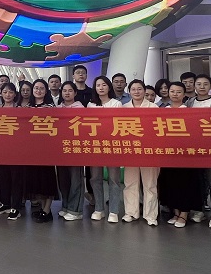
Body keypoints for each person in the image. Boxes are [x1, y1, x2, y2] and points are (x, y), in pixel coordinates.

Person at [158, 82, 202, 228]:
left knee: (185, 183)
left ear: (184, 94)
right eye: (172, 91)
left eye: (178, 92)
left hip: (185, 155)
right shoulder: (162, 111)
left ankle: (184, 213)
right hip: (168, 154)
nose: (175, 94)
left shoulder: (189, 111)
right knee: (170, 183)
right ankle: (176, 212)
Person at [185, 74, 211, 227]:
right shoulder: (189, 103)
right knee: (198, 180)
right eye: (199, 84)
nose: (202, 87)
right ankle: (199, 209)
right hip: (194, 148)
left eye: (205, 84)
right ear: (195, 86)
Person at [122, 79, 160, 226]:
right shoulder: (123, 108)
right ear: (129, 91)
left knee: (150, 184)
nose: (136, 92)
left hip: (149, 151)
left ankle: (150, 215)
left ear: (144, 91)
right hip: (130, 151)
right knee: (130, 183)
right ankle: (131, 212)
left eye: (139, 89)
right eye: (133, 89)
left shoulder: (153, 107)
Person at [88, 76, 124, 223]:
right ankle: (99, 209)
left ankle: (114, 211)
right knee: (95, 178)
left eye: (104, 85)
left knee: (114, 179)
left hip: (112, 145)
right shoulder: (90, 105)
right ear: (95, 88)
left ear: (109, 87)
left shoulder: (116, 103)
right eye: (98, 85)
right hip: (95, 145)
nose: (101, 88)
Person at [26, 79, 58, 223]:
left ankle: (47, 210)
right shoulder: (28, 107)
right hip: (32, 150)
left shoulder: (50, 107)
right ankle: (42, 208)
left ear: (46, 91)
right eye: (36, 88)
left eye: (41, 88)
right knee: (37, 180)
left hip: (47, 150)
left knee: (47, 179)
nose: (38, 91)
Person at [0, 83, 24, 220]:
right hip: (1, 150)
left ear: (15, 94)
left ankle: (16, 207)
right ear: (1, 93)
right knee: (2, 177)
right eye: (5, 92)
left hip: (16, 151)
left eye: (11, 92)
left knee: (16, 179)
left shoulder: (20, 110)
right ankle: (5, 203)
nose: (8, 95)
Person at [56, 81, 85, 222]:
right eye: (64, 91)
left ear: (75, 93)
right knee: (63, 179)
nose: (67, 93)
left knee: (75, 179)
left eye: (70, 90)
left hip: (75, 149)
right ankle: (66, 206)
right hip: (60, 149)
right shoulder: (57, 108)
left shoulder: (81, 108)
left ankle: (76, 210)